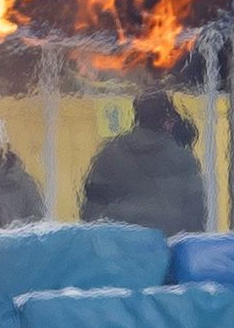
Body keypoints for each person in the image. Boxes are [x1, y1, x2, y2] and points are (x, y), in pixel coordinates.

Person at [77, 90, 204, 234]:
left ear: (137, 116)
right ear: (165, 120)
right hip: (166, 246)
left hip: (120, 244)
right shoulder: (181, 157)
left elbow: (91, 207)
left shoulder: (110, 153)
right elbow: (195, 213)